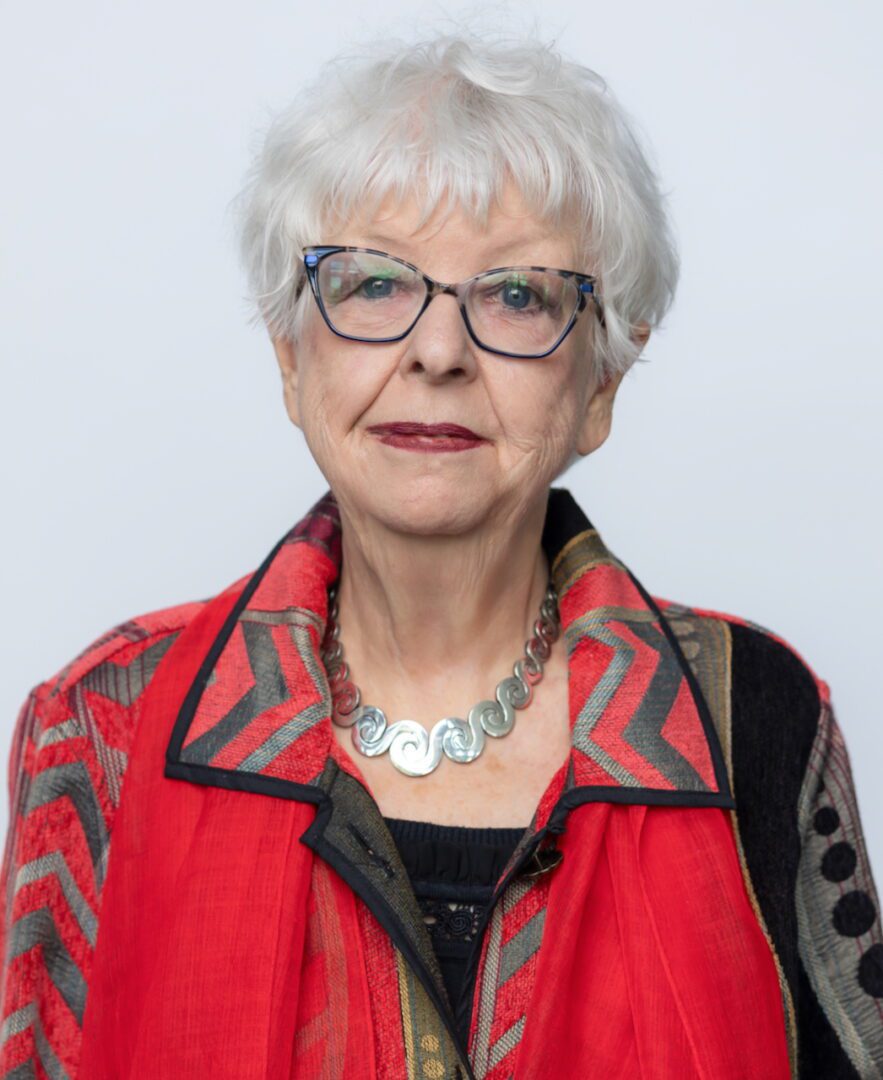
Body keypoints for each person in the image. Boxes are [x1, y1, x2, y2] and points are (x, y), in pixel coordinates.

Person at [1, 27, 880, 1080]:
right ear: (290, 358)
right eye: (374, 284)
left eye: (516, 295)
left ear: (598, 386)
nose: (436, 351)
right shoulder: (105, 722)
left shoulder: (754, 720)